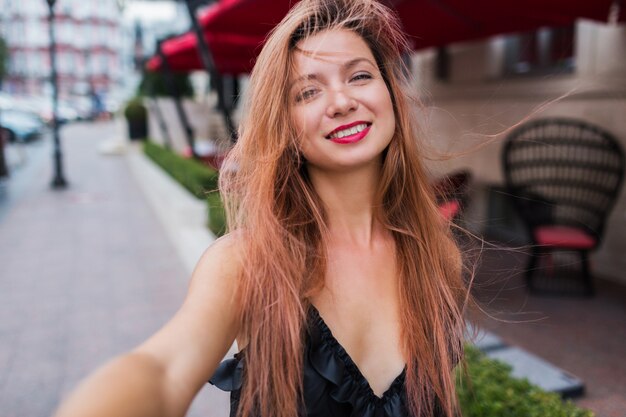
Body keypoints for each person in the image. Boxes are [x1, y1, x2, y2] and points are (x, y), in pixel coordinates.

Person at [54, 1, 468, 416]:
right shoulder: (245, 263)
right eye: (308, 91)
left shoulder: (436, 256)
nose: (341, 101)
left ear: (391, 94)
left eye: (359, 76)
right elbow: (162, 371)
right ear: (284, 123)